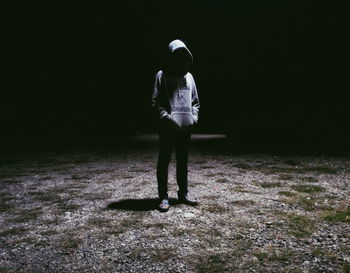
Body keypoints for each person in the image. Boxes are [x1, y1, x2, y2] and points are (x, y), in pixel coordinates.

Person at [152, 39, 200, 212]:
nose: (180, 59)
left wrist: (193, 118)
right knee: (164, 161)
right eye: (177, 55)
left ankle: (183, 194)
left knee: (183, 161)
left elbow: (195, 103)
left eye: (183, 55)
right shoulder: (161, 75)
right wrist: (166, 119)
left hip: (185, 128)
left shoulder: (189, 77)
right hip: (167, 128)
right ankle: (163, 197)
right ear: (171, 57)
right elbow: (156, 102)